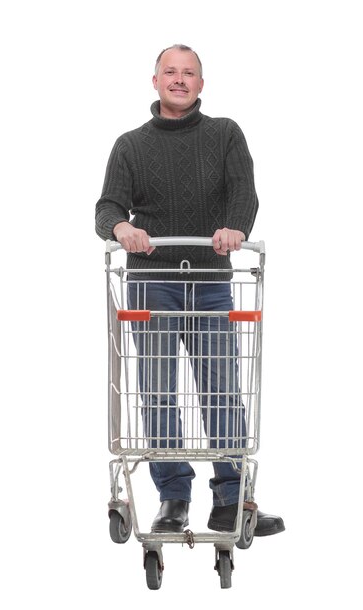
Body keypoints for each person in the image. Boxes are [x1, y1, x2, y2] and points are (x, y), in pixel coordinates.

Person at [96, 44, 285, 537]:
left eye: (190, 73)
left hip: (210, 282)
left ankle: (230, 498)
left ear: (202, 84)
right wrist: (121, 230)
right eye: (170, 72)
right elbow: (106, 208)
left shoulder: (225, 134)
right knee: (158, 392)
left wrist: (234, 228)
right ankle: (173, 498)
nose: (180, 80)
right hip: (151, 283)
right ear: (154, 81)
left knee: (224, 390)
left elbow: (244, 194)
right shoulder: (129, 145)